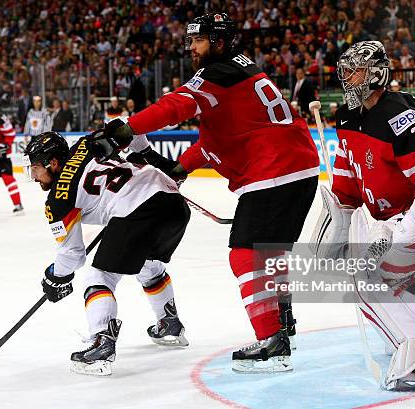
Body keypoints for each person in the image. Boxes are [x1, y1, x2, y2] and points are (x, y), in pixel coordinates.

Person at [96, 13, 320, 373]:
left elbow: (174, 106)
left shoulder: (217, 74)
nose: (192, 49)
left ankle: (272, 344)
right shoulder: (239, 71)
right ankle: (283, 325)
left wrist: (126, 130)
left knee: (245, 256)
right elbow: (217, 139)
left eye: (198, 41)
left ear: (218, 42)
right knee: (271, 254)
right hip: (300, 168)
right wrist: (181, 167)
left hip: (273, 169)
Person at [310, 40, 415, 391]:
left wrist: (398, 234)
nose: (347, 77)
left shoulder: (399, 114)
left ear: (376, 73)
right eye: (345, 70)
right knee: (383, 281)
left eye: (355, 70)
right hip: (403, 213)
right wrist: (339, 220)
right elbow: (347, 172)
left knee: (378, 275)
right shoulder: (346, 115)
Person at [22, 131, 190, 376]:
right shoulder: (86, 143)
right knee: (148, 265)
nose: (34, 177)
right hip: (174, 204)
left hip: (137, 211)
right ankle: (170, 325)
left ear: (54, 163)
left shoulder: (58, 199)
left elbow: (72, 254)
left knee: (98, 278)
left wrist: (55, 276)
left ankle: (101, 344)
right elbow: (130, 129)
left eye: (35, 168)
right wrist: (152, 157)